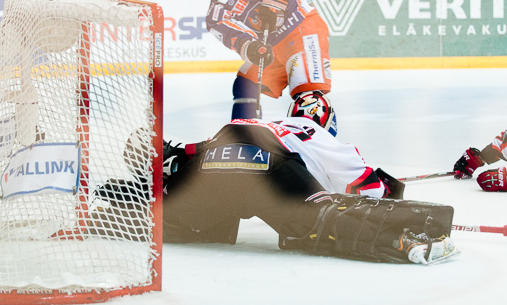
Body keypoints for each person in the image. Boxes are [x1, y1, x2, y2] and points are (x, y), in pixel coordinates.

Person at [92, 98, 458, 265]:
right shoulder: (324, 136)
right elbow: (370, 191)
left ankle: (101, 214)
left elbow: (192, 153)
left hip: (223, 147)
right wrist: (385, 189)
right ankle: (404, 241)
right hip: (270, 166)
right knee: (320, 223)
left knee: (180, 220)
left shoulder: (269, 123)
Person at [186, 0, 333, 121]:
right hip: (273, 47)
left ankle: (315, 142)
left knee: (308, 98)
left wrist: (276, 3)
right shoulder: (214, 17)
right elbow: (237, 39)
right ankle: (245, 133)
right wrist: (252, 48)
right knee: (246, 82)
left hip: (302, 28)